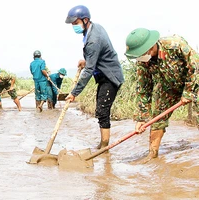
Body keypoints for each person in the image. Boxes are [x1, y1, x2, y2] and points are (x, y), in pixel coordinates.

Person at [125, 28, 199, 161]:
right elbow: (143, 88)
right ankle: (152, 155)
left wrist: (188, 92)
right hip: (168, 87)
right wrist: (141, 119)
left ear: (151, 46)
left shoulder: (175, 44)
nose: (141, 56)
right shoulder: (143, 61)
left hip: (194, 81)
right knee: (158, 118)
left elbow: (195, 66)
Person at [64, 5, 124, 149]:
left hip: (110, 77)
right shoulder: (94, 28)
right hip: (104, 74)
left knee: (102, 111)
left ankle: (104, 146)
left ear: (85, 20)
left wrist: (74, 93)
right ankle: (104, 145)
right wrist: (87, 61)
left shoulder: (93, 39)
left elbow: (88, 71)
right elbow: (98, 56)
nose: (74, 26)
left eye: (75, 23)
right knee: (100, 110)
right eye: (72, 24)